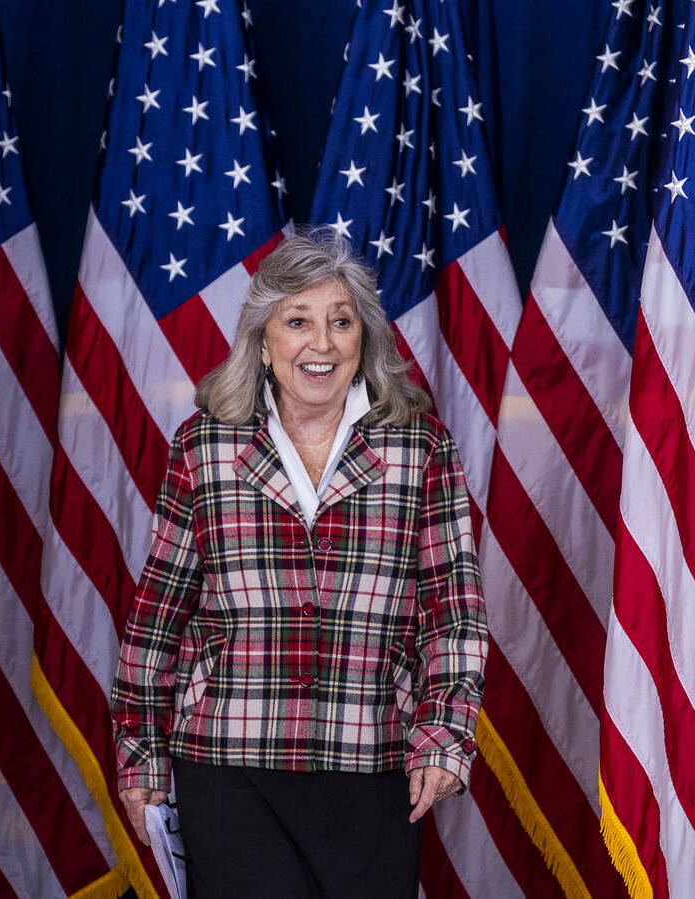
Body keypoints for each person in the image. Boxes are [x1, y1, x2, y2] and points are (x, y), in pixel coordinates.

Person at [110, 230, 487, 897]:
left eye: (341, 321)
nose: (322, 342)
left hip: (372, 761)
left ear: (364, 339)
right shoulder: (205, 445)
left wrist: (446, 733)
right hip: (229, 763)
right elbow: (157, 613)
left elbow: (453, 615)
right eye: (298, 320)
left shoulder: (420, 447)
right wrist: (139, 750)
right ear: (262, 340)